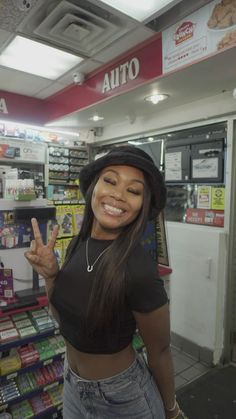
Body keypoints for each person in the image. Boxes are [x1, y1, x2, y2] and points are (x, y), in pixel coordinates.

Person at [25, 145, 187, 419]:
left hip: (123, 396)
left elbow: (159, 351)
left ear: (142, 205)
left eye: (133, 191)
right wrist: (51, 276)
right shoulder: (79, 244)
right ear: (94, 188)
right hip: (72, 385)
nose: (117, 194)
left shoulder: (138, 269)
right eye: (109, 181)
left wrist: (171, 409)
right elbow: (61, 315)